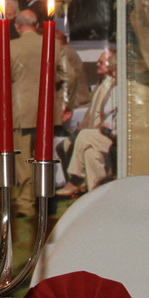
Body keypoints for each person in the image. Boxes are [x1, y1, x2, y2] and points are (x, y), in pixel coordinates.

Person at [57, 50, 117, 197]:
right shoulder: (102, 84)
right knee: (90, 154)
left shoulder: (116, 88)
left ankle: (76, 180)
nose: (97, 64)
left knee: (83, 137)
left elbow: (108, 116)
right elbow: (91, 113)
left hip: (110, 135)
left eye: (102, 62)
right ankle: (95, 194)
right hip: (99, 132)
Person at [7, 9, 44, 207]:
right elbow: (69, 76)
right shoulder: (53, 44)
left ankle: (26, 200)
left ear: (17, 26)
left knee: (24, 157)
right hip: (47, 108)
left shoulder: (11, 47)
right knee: (43, 153)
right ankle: (43, 195)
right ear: (37, 26)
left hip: (22, 108)